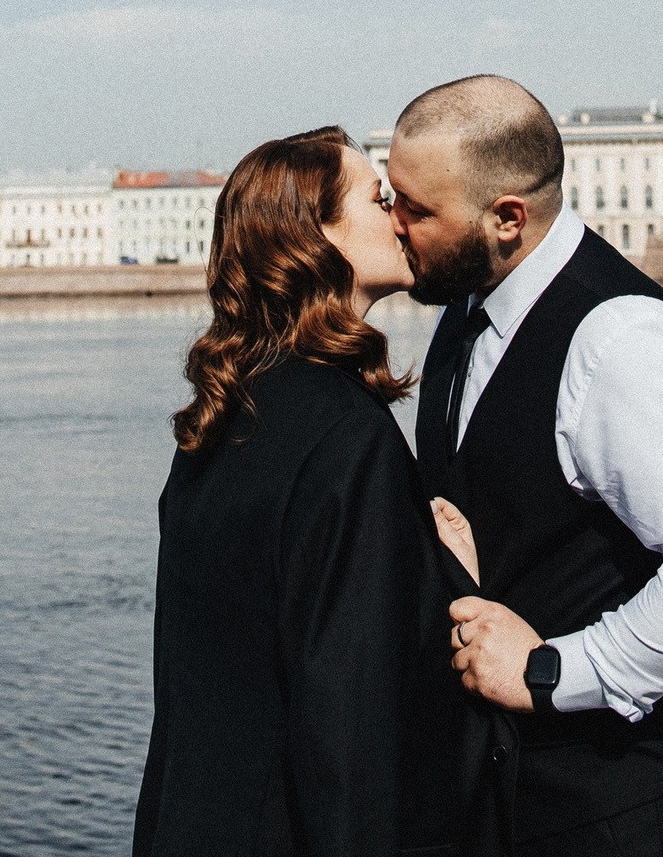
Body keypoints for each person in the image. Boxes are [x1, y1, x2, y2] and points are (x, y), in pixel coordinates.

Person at [387, 76, 663, 857]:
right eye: (391, 197)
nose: (395, 226)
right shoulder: (469, 307)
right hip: (521, 804)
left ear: (508, 218)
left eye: (417, 209)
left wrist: (550, 672)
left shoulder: (620, 339)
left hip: (629, 815)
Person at [132, 125, 492, 857]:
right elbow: (360, 720)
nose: (402, 216)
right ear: (314, 238)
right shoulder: (345, 435)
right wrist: (453, 579)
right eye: (378, 198)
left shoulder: (219, 422)